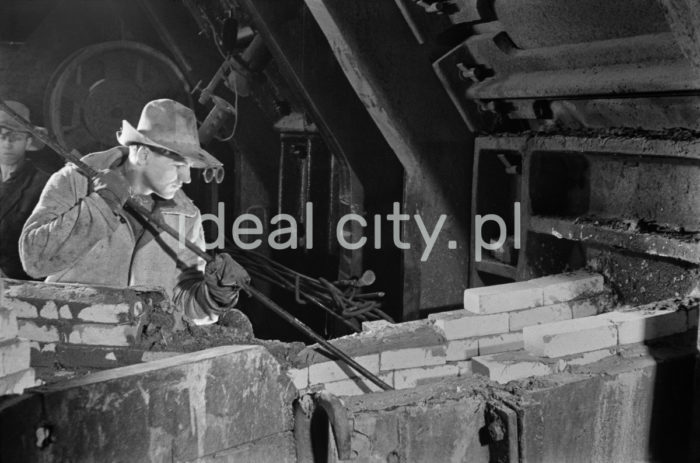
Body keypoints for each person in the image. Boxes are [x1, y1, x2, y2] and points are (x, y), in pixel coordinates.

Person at [19, 98, 249, 325]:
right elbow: (34, 260)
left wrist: (215, 295)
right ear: (144, 154)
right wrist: (100, 205)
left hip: (141, 354)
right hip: (65, 336)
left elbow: (182, 306)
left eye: (188, 167)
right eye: (179, 166)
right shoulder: (76, 181)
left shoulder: (186, 216)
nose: (186, 178)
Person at [0, 101, 51, 279]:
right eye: (2, 136)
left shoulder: (43, 184)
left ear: (28, 142)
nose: (7, 143)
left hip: (19, 284)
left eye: (15, 137)